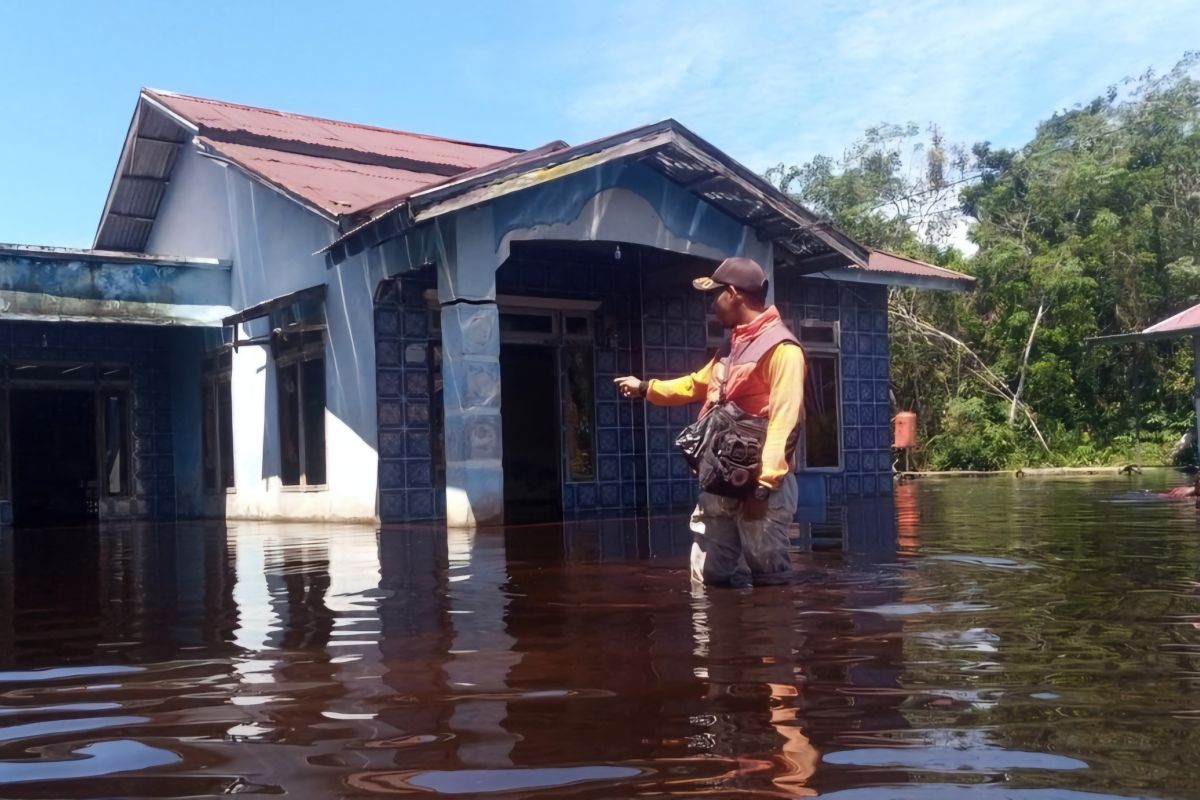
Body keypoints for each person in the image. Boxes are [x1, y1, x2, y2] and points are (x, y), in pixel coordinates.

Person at [614, 257, 805, 587]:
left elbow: (784, 421)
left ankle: (772, 638)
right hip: (719, 480)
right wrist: (646, 388)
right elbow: (695, 384)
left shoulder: (783, 350)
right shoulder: (732, 346)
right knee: (709, 577)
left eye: (713, 295)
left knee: (770, 579)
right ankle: (715, 639)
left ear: (732, 294)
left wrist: (763, 488)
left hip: (760, 485)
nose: (711, 303)